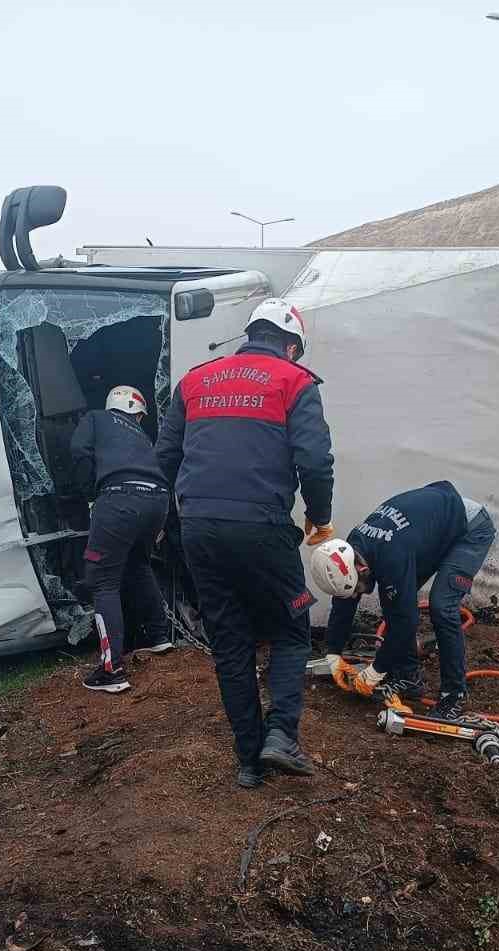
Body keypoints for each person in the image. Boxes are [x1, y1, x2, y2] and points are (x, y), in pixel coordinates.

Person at [156, 298, 336, 789]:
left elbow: (165, 458)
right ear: (292, 345)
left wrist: (173, 524)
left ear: (250, 333)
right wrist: (319, 518)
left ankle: (249, 762)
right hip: (262, 529)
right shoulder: (294, 382)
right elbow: (315, 462)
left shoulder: (193, 381)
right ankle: (281, 735)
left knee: (230, 642)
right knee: (291, 628)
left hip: (200, 530)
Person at [310, 482, 498, 720]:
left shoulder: (391, 558)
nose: (359, 593)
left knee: (442, 606)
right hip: (430, 528)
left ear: (363, 568)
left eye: (358, 587)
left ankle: (454, 695)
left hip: (469, 528)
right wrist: (333, 652)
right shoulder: (350, 547)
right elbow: (345, 600)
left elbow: (405, 621)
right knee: (395, 603)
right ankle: (409, 676)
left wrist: (376, 670)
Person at [69, 385, 173, 694]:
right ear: (137, 413)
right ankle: (159, 637)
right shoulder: (141, 436)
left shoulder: (96, 418)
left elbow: (78, 450)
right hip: (158, 500)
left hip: (119, 498)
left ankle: (110, 671)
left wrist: (89, 493)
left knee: (103, 581)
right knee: (139, 565)